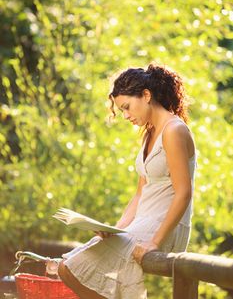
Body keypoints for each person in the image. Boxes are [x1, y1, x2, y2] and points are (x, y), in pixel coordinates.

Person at [58, 62, 197, 299]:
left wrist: (155, 242)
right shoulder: (150, 132)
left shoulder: (174, 130)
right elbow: (140, 194)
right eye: (121, 110)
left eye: (126, 107)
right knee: (68, 263)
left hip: (165, 229)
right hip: (142, 223)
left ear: (146, 95)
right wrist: (115, 229)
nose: (125, 116)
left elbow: (184, 193)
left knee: (71, 267)